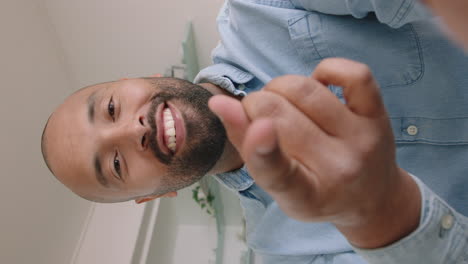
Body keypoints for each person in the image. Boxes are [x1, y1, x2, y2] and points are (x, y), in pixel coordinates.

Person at [41, 0, 467, 263]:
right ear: (156, 195)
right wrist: (382, 213)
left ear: (146, 77)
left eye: (112, 108)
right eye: (116, 164)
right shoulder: (285, 254)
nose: (131, 132)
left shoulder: (266, 6)